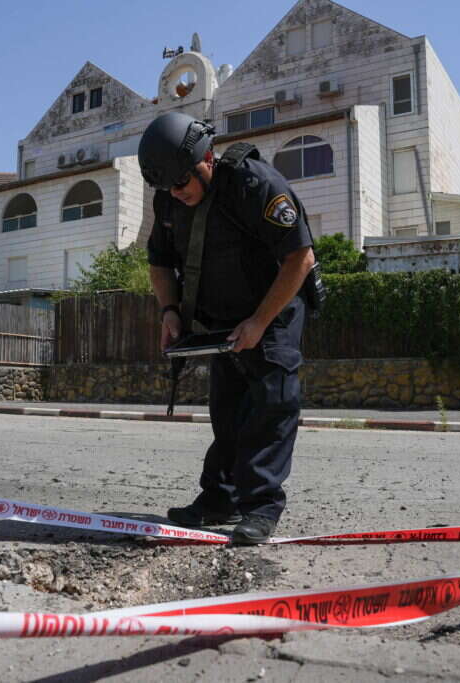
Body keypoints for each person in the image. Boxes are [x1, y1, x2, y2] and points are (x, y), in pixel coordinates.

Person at [138, 111, 315, 544]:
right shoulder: (168, 200)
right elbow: (159, 262)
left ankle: (260, 508)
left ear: (207, 160)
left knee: (271, 407)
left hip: (271, 313)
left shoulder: (256, 185)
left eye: (181, 183)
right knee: (228, 410)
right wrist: (170, 311)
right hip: (222, 321)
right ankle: (219, 500)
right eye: (166, 187)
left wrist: (258, 321)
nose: (175, 194)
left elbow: (300, 259)